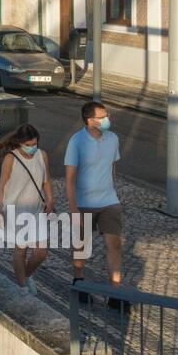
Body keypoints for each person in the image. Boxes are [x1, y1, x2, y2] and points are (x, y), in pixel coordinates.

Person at [65, 101, 125, 308]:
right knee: (83, 246)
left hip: (109, 201)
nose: (107, 119)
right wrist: (73, 209)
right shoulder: (76, 142)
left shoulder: (113, 139)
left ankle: (115, 291)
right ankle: (78, 279)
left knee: (114, 244)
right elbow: (70, 178)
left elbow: (112, 167)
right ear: (90, 121)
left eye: (107, 115)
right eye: (103, 116)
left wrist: (111, 189)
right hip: (83, 203)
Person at [0, 123, 53, 295]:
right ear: (20, 143)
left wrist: (50, 199)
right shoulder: (10, 158)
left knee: (41, 252)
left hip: (37, 210)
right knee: (20, 251)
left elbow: (46, 180)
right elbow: (2, 186)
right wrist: (0, 211)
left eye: (35, 144)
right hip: (15, 210)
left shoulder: (42, 156)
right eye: (28, 145)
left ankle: (26, 276)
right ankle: (22, 286)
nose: (32, 148)